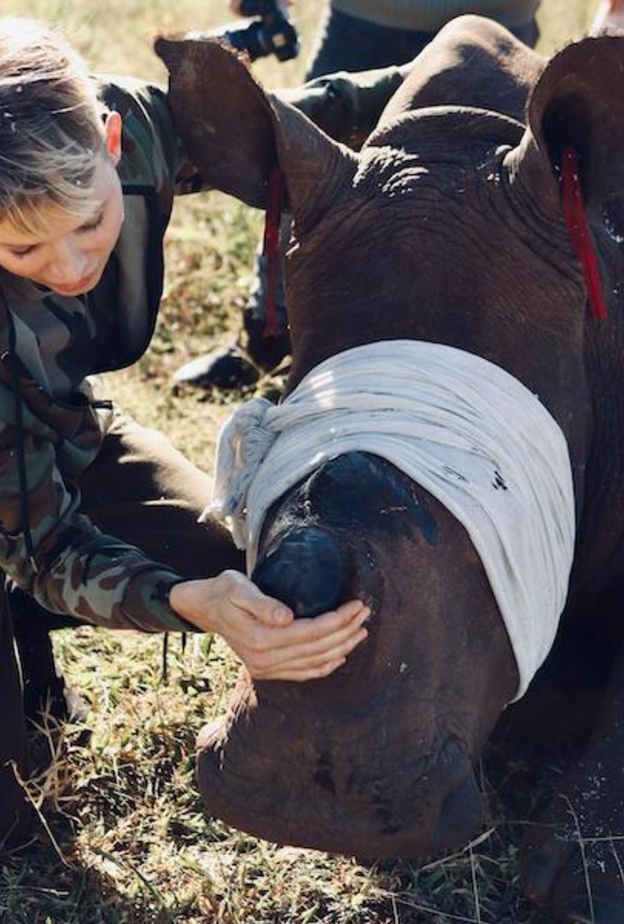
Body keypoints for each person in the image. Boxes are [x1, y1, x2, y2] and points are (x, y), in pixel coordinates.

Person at [0, 15, 372, 850]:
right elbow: (44, 548)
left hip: (61, 434)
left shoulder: (137, 131)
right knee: (13, 828)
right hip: (16, 492)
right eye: (24, 250)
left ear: (113, 140)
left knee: (241, 561)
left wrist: (450, 88)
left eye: (89, 224)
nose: (69, 268)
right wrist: (184, 605)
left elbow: (301, 124)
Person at [174, 0, 541, 391]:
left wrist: (617, 14)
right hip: (362, 20)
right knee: (300, 173)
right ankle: (270, 339)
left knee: (480, 202)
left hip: (495, 29)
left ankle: (453, 362)